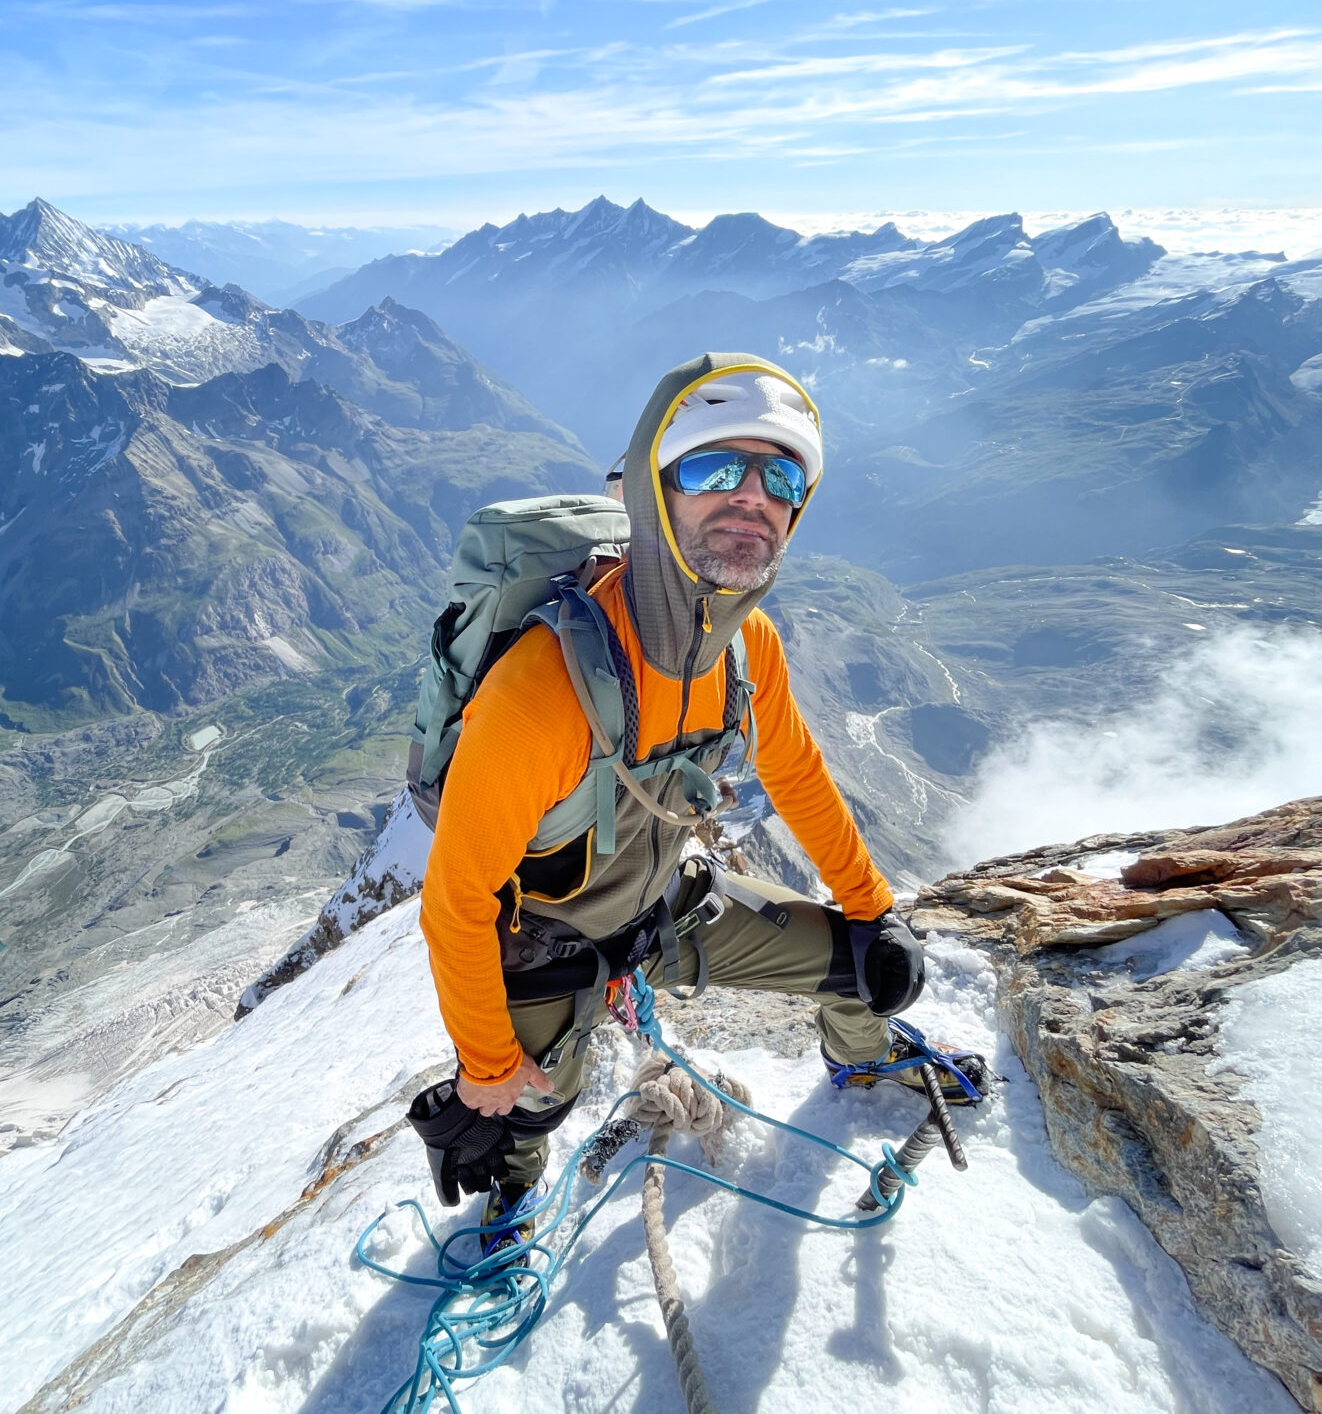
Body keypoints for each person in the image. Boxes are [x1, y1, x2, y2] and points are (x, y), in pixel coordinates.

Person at [417, 353, 985, 1256]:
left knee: (856, 964)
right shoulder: (543, 690)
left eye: (782, 475)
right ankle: (513, 1195)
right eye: (714, 469)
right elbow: (454, 903)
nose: (751, 496)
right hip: (544, 945)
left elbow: (796, 773)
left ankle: (862, 1055)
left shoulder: (747, 647)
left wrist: (877, 913)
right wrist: (484, 1066)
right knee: (522, 1107)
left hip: (670, 907)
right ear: (653, 491)